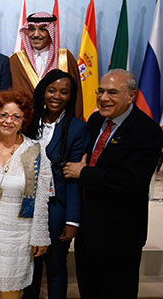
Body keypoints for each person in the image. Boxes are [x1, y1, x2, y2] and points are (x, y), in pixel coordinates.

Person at [63, 69, 163, 299]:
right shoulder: (96, 119)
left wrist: (84, 173)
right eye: (101, 91)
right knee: (89, 288)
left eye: (113, 92)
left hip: (120, 234)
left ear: (131, 96)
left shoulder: (147, 132)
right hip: (88, 230)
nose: (104, 98)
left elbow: (131, 181)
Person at [0, 90, 51, 299]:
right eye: (3, 114)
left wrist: (40, 236)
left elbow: (42, 198)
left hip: (18, 234)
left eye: (16, 116)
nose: (8, 121)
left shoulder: (35, 150)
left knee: (11, 288)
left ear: (23, 119)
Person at [23, 69, 90, 299]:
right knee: (30, 267)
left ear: (71, 96)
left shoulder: (78, 128)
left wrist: (72, 220)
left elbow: (73, 178)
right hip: (28, 207)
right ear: (43, 92)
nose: (56, 96)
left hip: (57, 207)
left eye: (64, 92)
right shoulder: (29, 123)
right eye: (52, 90)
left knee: (56, 268)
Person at [9, 12, 83, 118]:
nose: (36, 34)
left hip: (60, 125)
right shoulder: (15, 60)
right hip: (26, 125)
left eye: (42, 29)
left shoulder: (65, 58)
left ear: (51, 32)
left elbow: (77, 97)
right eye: (32, 29)